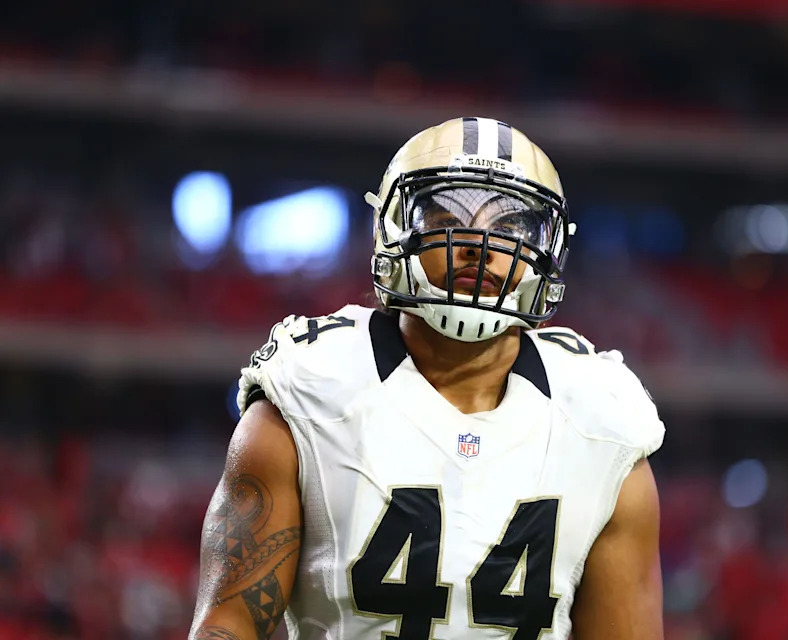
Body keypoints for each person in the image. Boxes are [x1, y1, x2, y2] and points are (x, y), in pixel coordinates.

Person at [189, 117, 665, 640]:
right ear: (394, 231)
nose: (478, 243)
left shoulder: (600, 422)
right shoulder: (308, 394)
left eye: (510, 228)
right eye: (447, 217)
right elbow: (227, 624)